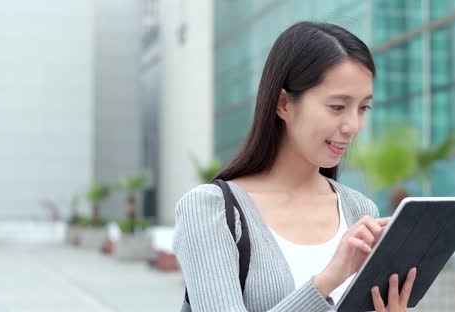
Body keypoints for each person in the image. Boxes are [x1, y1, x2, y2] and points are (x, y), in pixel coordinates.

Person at [173, 21, 417, 312]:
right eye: (338, 107)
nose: (352, 126)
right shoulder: (211, 210)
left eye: (363, 107)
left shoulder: (360, 211)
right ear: (284, 103)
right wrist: (326, 281)